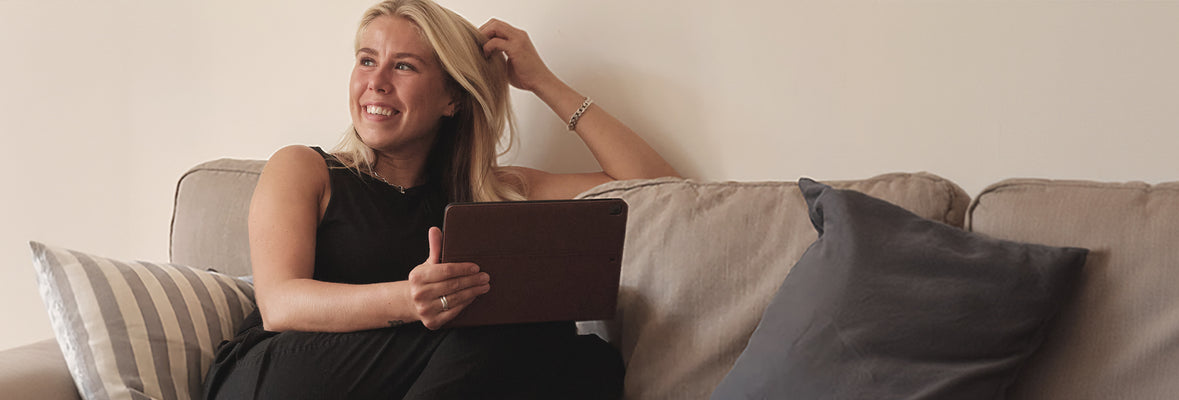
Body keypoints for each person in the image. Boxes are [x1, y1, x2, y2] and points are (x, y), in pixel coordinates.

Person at [202, 0, 679, 398]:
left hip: (418, 377)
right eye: (366, 60)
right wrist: (412, 301)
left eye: (403, 66)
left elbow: (656, 187)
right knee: (533, 338)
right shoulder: (306, 168)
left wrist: (542, 81)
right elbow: (281, 304)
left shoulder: (488, 191)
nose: (376, 81)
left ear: (453, 98)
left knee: (585, 358)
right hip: (278, 373)